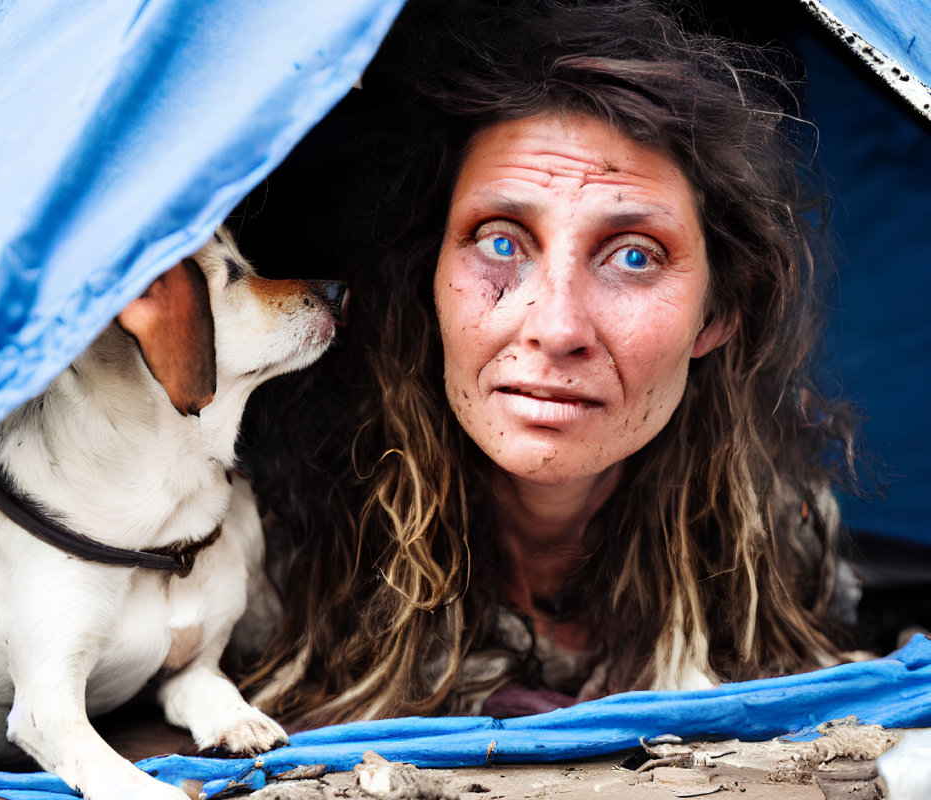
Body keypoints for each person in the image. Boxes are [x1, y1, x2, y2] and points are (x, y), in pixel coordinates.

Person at [236, 0, 862, 728]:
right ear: (427, 278)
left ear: (719, 314)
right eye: (500, 241)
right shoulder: (286, 547)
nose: (556, 328)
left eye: (634, 255)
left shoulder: (779, 542)